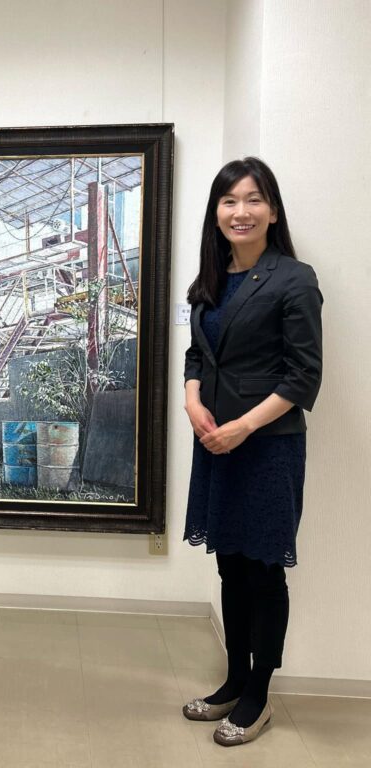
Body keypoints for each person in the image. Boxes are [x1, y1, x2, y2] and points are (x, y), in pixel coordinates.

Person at [181, 158, 322, 745]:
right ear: (216, 213)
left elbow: (303, 376)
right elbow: (198, 355)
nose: (241, 212)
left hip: (266, 447)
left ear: (273, 211)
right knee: (229, 565)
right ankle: (234, 679)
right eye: (229, 201)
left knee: (263, 571)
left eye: (254, 199)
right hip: (215, 442)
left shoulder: (294, 279)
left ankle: (259, 694)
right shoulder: (211, 280)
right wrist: (192, 400)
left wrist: (241, 427)